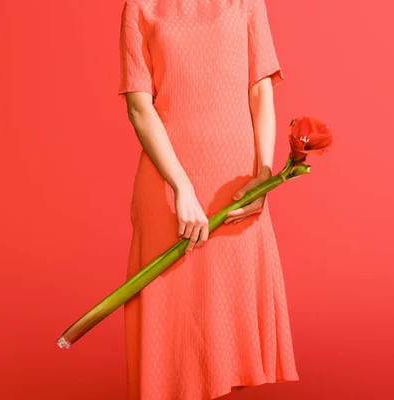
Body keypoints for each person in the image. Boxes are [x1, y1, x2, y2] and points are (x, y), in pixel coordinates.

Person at [118, 0, 299, 399]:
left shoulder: (247, 2)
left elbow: (260, 88)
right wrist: (181, 187)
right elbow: (139, 107)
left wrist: (263, 175)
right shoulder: (141, 7)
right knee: (173, 336)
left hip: (235, 186)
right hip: (169, 187)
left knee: (224, 331)